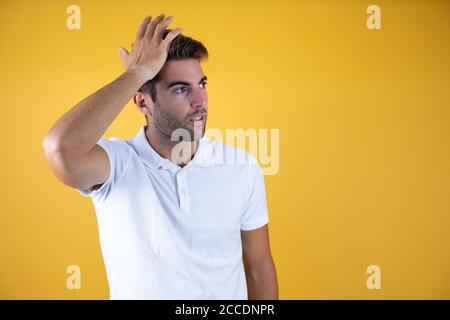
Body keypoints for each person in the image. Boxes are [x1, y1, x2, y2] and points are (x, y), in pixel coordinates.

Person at [43, 13, 278, 300]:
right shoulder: (116, 164)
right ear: (142, 102)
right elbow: (61, 149)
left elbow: (259, 269)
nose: (200, 101)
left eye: (201, 85)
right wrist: (138, 73)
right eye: (181, 89)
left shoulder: (241, 166)